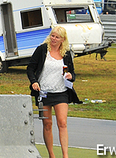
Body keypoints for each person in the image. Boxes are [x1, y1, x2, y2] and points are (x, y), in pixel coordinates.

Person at [27, 26, 82, 158]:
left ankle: (65, 155)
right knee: (47, 123)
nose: (54, 39)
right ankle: (52, 155)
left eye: (57, 37)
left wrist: (70, 76)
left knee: (62, 122)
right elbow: (30, 68)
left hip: (61, 92)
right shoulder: (42, 50)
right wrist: (34, 81)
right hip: (44, 92)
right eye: (52, 36)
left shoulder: (66, 53)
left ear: (63, 39)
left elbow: (72, 72)